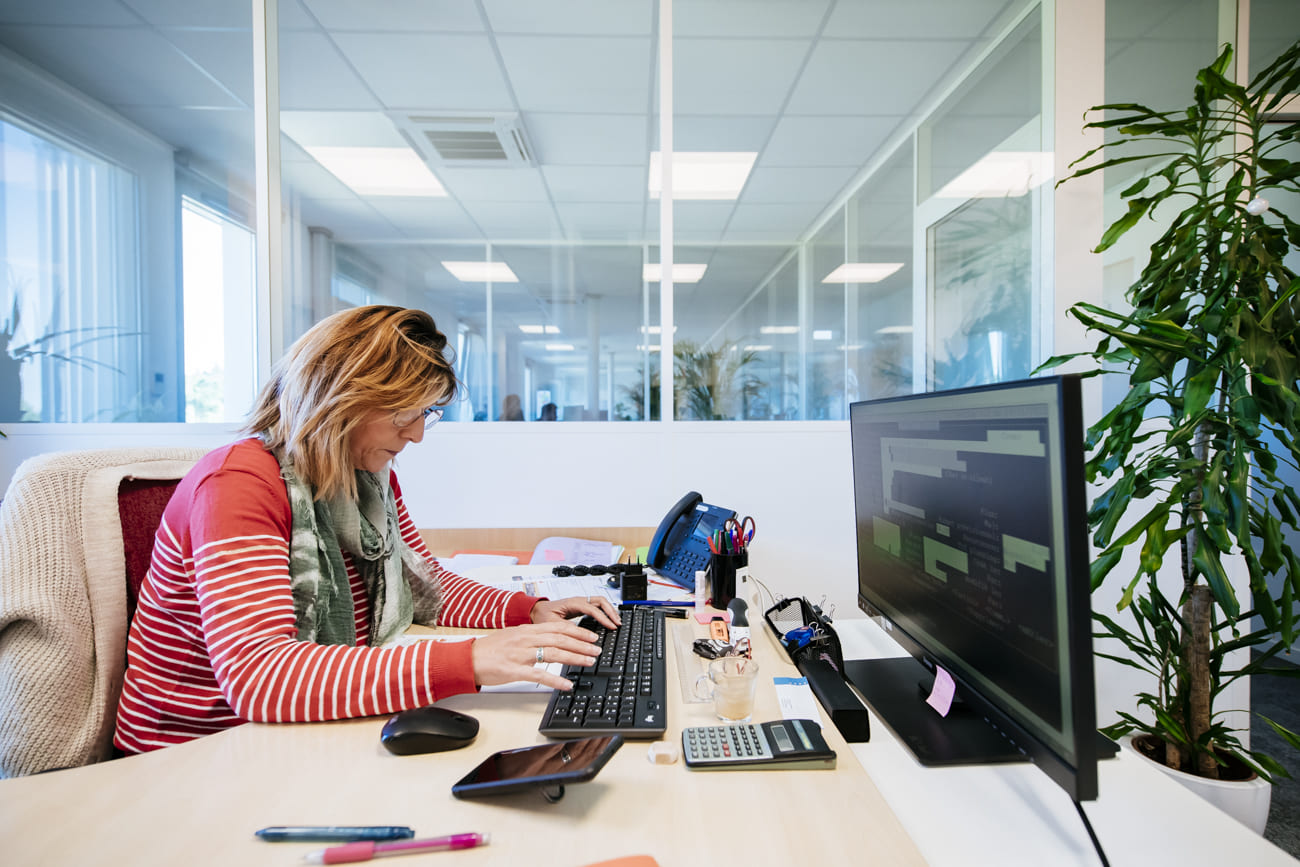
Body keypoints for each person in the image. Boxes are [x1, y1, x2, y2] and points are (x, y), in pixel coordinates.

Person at [113, 306, 618, 754]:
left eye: (428, 414)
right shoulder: (239, 484)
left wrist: (529, 610)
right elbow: (260, 678)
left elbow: (426, 589)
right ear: (338, 397)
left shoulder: (367, 477)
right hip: (200, 749)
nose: (417, 434)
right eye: (405, 412)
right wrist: (471, 659)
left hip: (289, 730)